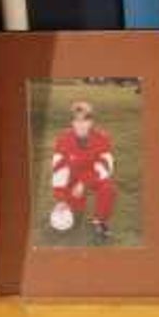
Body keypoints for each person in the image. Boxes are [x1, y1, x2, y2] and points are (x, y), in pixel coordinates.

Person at [50, 96, 117, 239]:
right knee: (75, 208)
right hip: (72, 175)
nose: (81, 124)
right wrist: (61, 198)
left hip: (92, 175)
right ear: (72, 122)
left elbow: (106, 166)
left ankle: (100, 221)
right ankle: (70, 205)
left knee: (108, 188)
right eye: (77, 120)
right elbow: (59, 169)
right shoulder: (62, 139)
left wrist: (84, 183)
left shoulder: (102, 138)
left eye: (85, 120)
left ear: (91, 122)